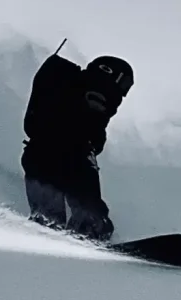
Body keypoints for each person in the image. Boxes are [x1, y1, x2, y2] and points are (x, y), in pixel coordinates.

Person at [21, 47, 134, 241]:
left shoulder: (68, 88)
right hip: (71, 158)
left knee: (48, 220)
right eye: (124, 87)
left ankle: (50, 236)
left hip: (39, 156)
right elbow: (92, 131)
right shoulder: (97, 92)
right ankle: (88, 233)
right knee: (90, 217)